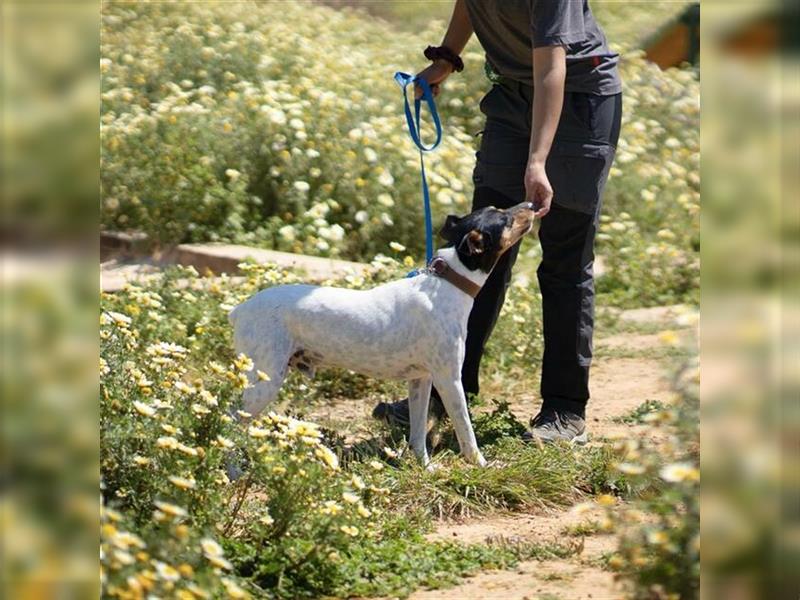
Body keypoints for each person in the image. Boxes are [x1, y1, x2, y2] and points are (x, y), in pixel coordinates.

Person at [373, 0, 622, 443]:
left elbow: (551, 69)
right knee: (480, 252)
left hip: (579, 98)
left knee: (565, 261)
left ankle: (565, 412)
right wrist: (446, 60)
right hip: (512, 96)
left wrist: (538, 161)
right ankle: (446, 395)